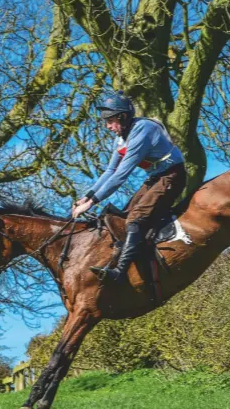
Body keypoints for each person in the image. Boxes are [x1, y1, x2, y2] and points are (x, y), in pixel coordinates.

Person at [72, 91, 186, 283]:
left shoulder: (143, 130)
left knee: (135, 218)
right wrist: (86, 197)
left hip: (172, 176)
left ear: (123, 117)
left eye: (110, 121)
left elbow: (120, 175)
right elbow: (109, 171)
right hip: (156, 178)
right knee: (124, 215)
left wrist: (91, 204)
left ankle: (120, 272)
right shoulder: (121, 138)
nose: (107, 126)